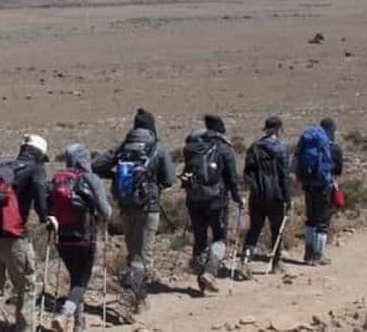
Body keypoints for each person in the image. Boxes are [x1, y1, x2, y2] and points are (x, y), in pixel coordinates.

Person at [92, 108, 176, 312]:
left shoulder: (124, 147)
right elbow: (169, 179)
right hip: (149, 207)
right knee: (143, 257)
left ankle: (141, 301)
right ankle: (127, 299)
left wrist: (116, 176)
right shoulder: (157, 147)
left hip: (125, 206)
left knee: (133, 254)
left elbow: (97, 165)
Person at [0, 135, 53, 332]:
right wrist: (46, 217)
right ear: (40, 154)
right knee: (26, 289)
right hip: (14, 240)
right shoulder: (36, 170)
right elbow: (41, 194)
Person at [49, 143, 112, 332]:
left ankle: (79, 324)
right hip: (84, 238)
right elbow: (106, 211)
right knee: (81, 281)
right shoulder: (90, 178)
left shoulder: (57, 180)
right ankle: (64, 314)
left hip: (62, 239)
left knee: (75, 277)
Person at [181, 115, 242, 293]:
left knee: (200, 238)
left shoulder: (192, 148)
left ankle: (200, 274)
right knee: (219, 237)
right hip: (216, 200)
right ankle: (209, 272)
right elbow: (232, 178)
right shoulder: (224, 149)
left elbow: (186, 173)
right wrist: (238, 197)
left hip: (194, 199)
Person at [240, 116, 291, 276]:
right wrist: (287, 197)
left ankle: (245, 262)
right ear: (278, 129)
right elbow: (284, 176)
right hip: (275, 196)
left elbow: (246, 173)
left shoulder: (253, 148)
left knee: (254, 229)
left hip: (257, 195)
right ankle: (276, 263)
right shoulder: (280, 149)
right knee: (277, 229)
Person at [295, 119, 336, 266]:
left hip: (307, 184)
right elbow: (337, 168)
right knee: (322, 221)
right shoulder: (331, 146)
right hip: (323, 186)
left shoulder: (308, 141)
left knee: (310, 219)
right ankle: (318, 255)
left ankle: (308, 253)